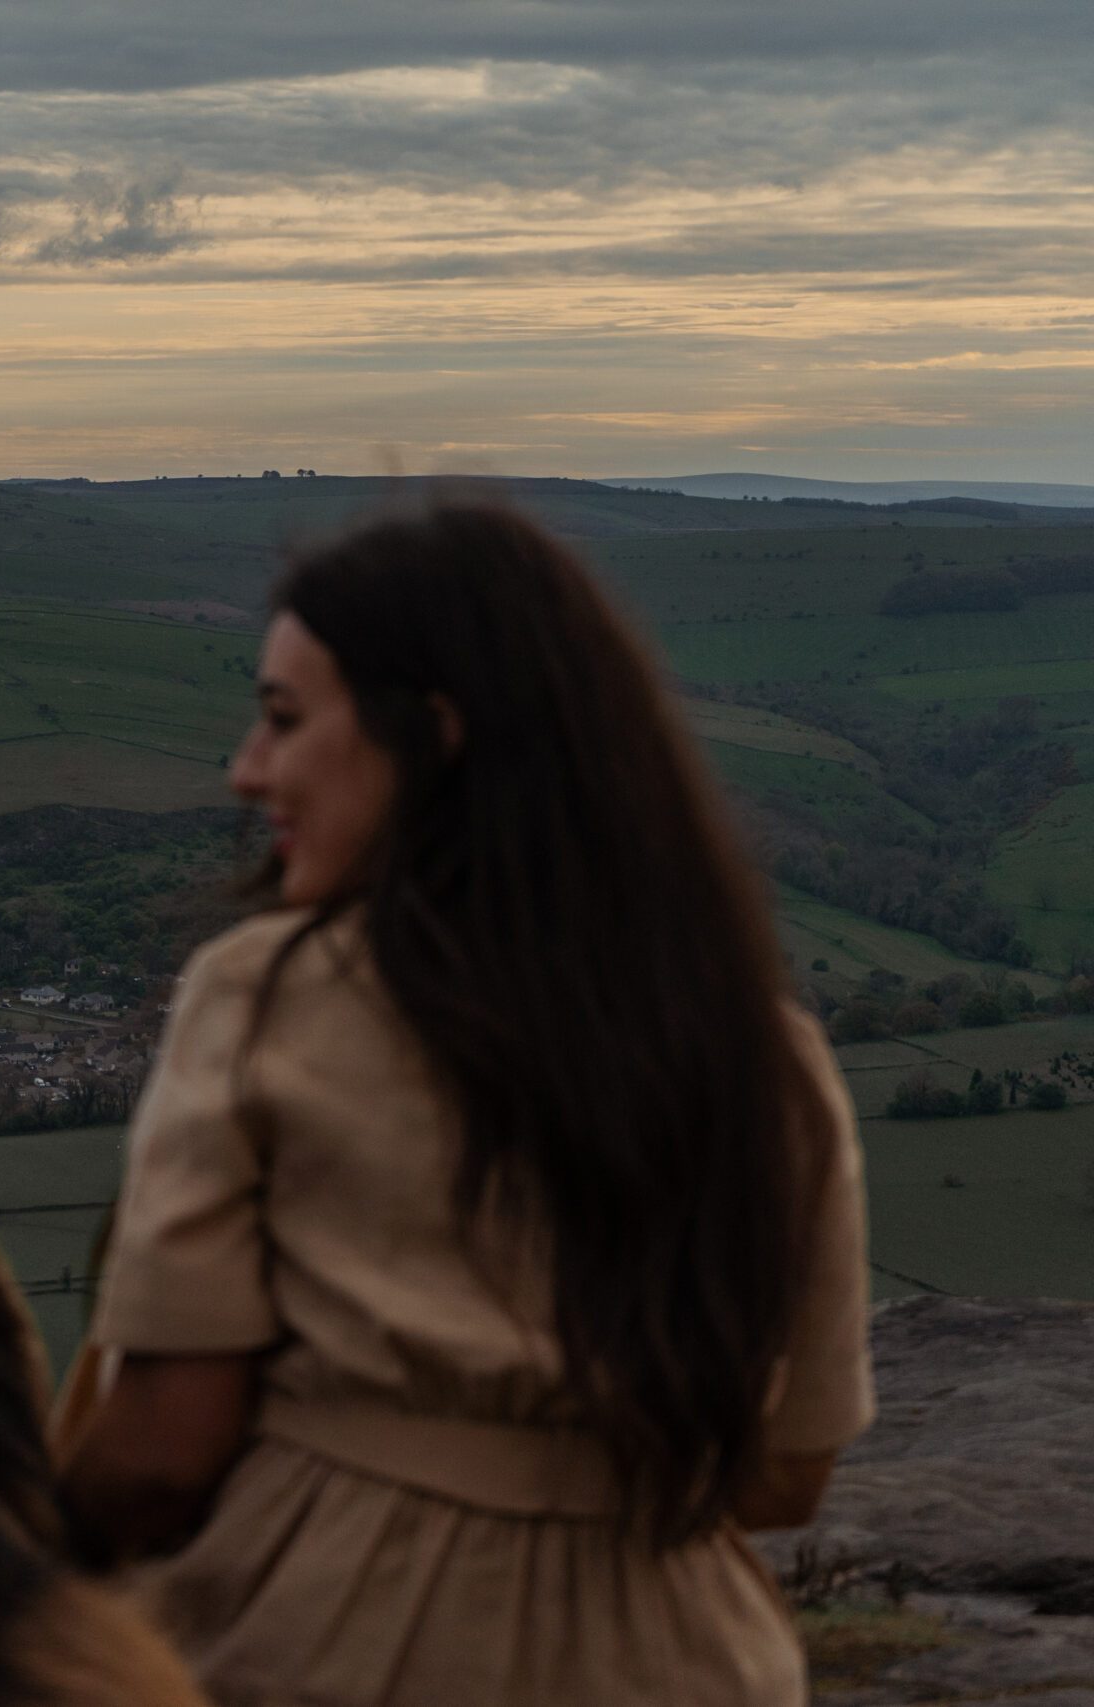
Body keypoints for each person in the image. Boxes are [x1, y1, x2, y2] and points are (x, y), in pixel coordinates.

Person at [53, 501, 872, 1706]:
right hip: (686, 1659)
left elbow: (164, 1452)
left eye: (282, 720)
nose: (246, 769)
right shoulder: (771, 1055)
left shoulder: (261, 997)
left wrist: (29, 1548)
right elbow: (789, 1473)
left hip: (325, 1643)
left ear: (430, 739)